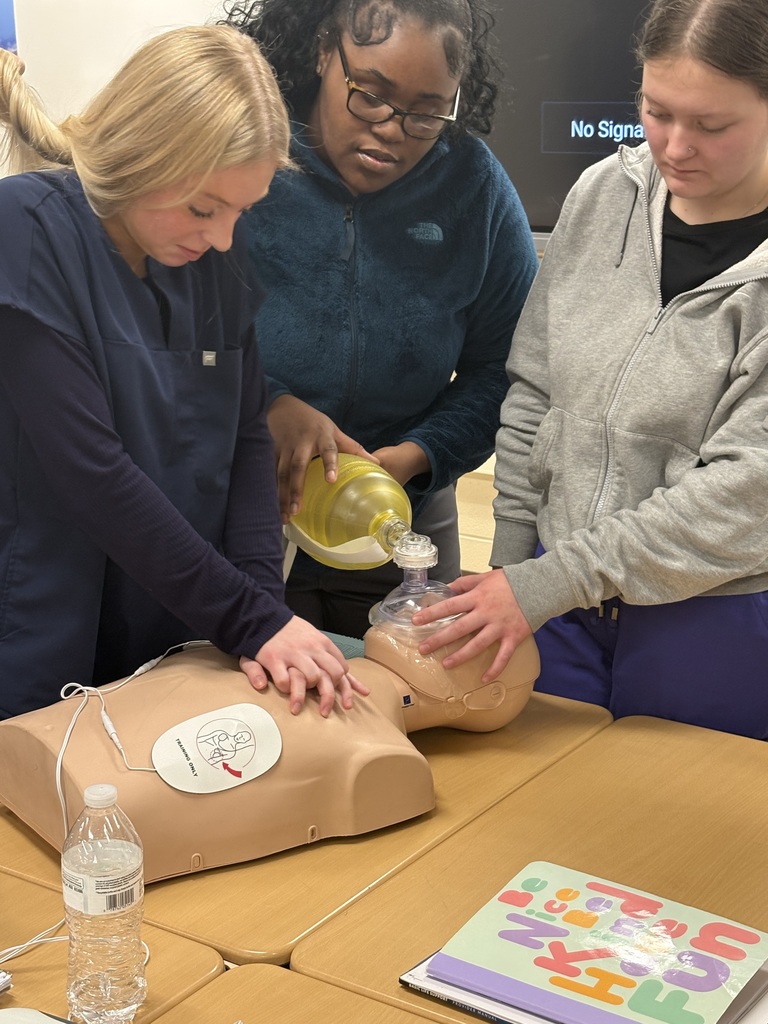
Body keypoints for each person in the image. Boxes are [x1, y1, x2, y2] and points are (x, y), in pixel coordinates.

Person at [412, 0, 768, 740]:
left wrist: (545, 582)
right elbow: (534, 390)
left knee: (672, 835)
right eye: (655, 111)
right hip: (554, 598)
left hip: (712, 609)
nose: (674, 146)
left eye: (710, 125)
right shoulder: (604, 194)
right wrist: (510, 573)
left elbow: (748, 491)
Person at [0, 25, 369, 719]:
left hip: (175, 629)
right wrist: (249, 620)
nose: (226, 237)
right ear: (142, 154)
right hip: (42, 632)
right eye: (205, 208)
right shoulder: (25, 236)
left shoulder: (206, 254)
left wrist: (261, 611)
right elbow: (93, 471)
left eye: (242, 211)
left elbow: (246, 440)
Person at [223, 0, 539, 638]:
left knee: (401, 701)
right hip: (236, 504)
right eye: (370, 94)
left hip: (399, 515)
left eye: (427, 112)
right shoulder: (241, 158)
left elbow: (509, 370)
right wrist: (267, 405)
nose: (394, 129)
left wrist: (420, 456)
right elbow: (167, 335)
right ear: (321, 52)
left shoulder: (474, 188)